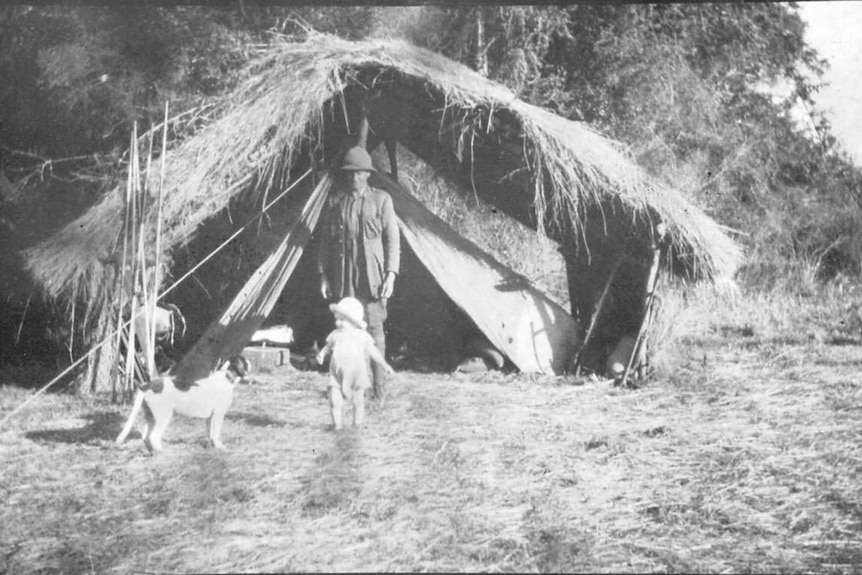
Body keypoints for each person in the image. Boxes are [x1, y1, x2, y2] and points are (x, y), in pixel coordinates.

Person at [317, 145, 400, 400]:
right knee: (346, 332)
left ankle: (380, 389)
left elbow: (392, 239)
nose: (354, 178)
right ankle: (351, 387)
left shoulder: (381, 200)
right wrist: (323, 274)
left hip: (372, 278)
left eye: (359, 173)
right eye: (350, 173)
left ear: (368, 174)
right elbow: (325, 242)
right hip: (345, 278)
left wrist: (391, 274)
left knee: (374, 331)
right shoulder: (335, 202)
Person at [316, 297, 394, 429]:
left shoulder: (361, 336)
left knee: (358, 402)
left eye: (342, 320)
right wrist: (322, 354)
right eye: (336, 319)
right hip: (336, 374)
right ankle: (337, 425)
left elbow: (373, 351)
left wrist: (384, 365)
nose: (338, 323)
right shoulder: (335, 334)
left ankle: (357, 425)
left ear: (353, 322)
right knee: (335, 402)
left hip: (356, 374)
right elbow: (328, 346)